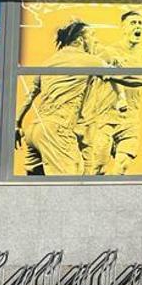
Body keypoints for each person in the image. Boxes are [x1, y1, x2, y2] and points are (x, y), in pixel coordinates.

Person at [15, 21, 106, 175]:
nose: (95, 41)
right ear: (80, 40)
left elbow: (29, 96)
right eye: (92, 36)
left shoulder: (48, 63)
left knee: (34, 189)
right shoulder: (88, 60)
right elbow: (125, 76)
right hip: (56, 131)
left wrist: (17, 124)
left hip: (34, 131)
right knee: (70, 186)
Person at [81, 10, 142, 175]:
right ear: (123, 27)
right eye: (133, 23)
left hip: (131, 119)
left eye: (140, 23)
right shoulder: (110, 53)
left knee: (122, 167)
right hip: (106, 117)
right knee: (98, 168)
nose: (138, 26)